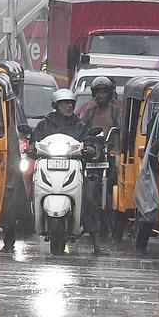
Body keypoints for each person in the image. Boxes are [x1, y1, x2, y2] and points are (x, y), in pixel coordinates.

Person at [29, 89, 107, 255]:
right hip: (47, 167)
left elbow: (89, 141)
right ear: (56, 105)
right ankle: (24, 222)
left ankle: (96, 244)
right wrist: (30, 148)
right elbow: (34, 143)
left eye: (71, 103)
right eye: (65, 103)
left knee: (89, 198)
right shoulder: (45, 124)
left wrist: (92, 148)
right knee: (28, 185)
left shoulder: (79, 125)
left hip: (73, 168)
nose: (69, 106)